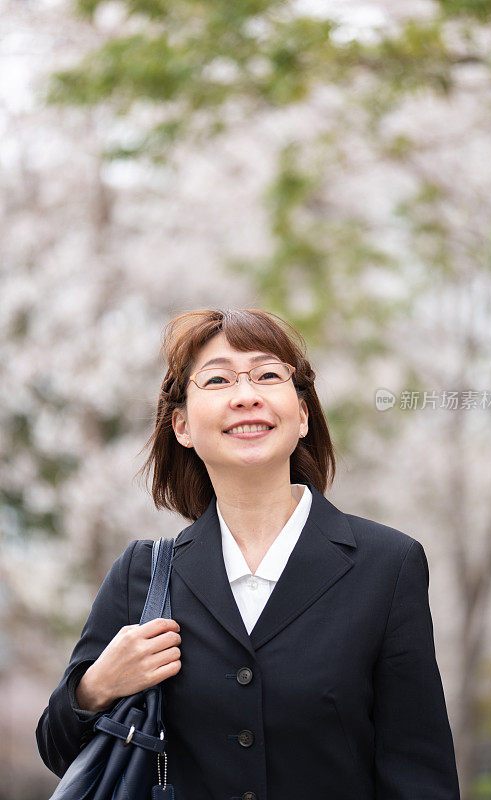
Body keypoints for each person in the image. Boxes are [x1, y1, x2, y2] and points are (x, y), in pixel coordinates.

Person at [36, 307, 461, 800]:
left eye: (266, 375)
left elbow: (419, 774)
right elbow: (58, 751)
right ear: (182, 426)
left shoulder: (387, 565)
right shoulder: (144, 574)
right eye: (217, 380)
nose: (245, 397)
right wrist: (96, 688)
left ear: (302, 415)